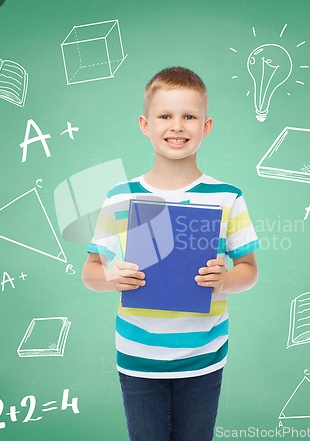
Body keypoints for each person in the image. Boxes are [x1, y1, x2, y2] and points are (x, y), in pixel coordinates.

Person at [82, 66, 260, 441]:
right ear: (145, 125)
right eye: (165, 116)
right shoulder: (120, 196)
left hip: (204, 356)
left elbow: (249, 269)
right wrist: (110, 277)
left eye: (188, 117)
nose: (177, 126)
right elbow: (91, 271)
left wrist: (226, 280)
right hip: (138, 357)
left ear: (206, 126)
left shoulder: (227, 196)